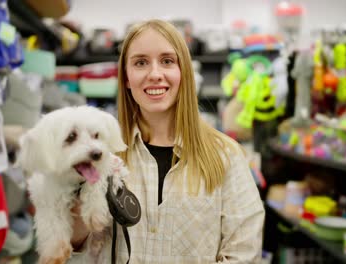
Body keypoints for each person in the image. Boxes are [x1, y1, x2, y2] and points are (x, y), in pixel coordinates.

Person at [70, 19, 264, 263]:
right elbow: (77, 249)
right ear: (127, 78)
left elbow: (244, 253)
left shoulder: (226, 156)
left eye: (167, 61)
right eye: (141, 63)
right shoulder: (103, 155)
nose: (155, 74)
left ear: (184, 72)